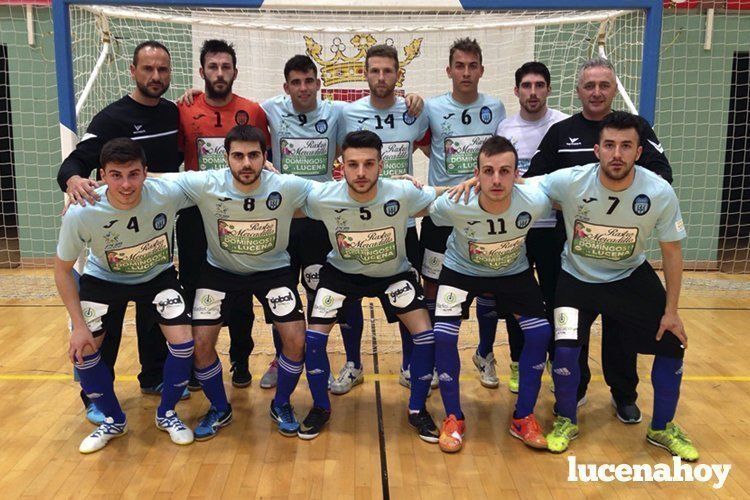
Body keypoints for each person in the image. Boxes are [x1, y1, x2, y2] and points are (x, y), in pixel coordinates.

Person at [530, 111, 696, 461]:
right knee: (563, 350)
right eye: (609, 145)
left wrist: (672, 312)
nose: (616, 154)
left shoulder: (658, 191)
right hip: (576, 278)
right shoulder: (571, 181)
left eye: (625, 146)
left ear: (638, 152)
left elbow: (672, 251)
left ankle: (662, 428)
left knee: (672, 342)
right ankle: (566, 419)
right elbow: (521, 185)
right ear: (597, 150)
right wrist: (472, 184)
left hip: (629, 276)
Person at [526, 57, 673, 423]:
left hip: (623, 255)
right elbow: (533, 180)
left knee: (621, 329)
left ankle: (623, 394)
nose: (596, 92)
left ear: (613, 89)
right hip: (571, 247)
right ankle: (572, 393)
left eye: (603, 85)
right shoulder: (562, 132)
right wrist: (568, 200)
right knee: (571, 330)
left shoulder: (637, 129)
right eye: (589, 86)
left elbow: (662, 176)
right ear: (578, 92)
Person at [56, 40, 184, 424]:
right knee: (102, 328)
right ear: (132, 71)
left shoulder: (173, 113)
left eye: (162, 69)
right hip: (112, 246)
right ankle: (96, 393)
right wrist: (73, 178)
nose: (156, 76)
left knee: (153, 313)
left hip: (153, 233)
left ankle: (155, 378)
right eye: (148, 69)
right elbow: (77, 160)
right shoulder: (111, 119)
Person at [299, 131, 454, 441]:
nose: (360, 172)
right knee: (313, 340)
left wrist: (477, 184)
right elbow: (278, 197)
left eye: (369, 164)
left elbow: (442, 194)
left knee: (425, 336)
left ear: (381, 165)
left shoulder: (402, 192)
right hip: (341, 274)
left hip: (393, 274)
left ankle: (417, 410)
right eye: (353, 164)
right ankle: (320, 406)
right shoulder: (322, 196)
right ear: (340, 165)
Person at [164, 125, 309, 439]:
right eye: (238, 156)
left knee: (296, 339)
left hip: (273, 271)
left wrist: (412, 188)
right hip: (219, 271)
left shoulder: (286, 185)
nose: (246, 163)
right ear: (226, 158)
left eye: (254, 155)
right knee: (199, 344)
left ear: (265, 157)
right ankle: (219, 407)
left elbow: (338, 191)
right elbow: (155, 179)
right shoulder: (207, 182)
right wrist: (97, 185)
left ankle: (282, 403)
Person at [55, 138, 195, 453]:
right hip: (104, 279)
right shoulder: (82, 211)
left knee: (184, 342)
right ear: (102, 175)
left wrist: (265, 171)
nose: (126, 184)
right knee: (84, 350)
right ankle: (113, 420)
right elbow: (62, 270)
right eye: (116, 175)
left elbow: (214, 179)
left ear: (146, 172)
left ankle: (167, 413)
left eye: (134, 174)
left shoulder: (167, 192)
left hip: (156, 276)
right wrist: (78, 326)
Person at [430, 135, 553, 453]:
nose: (496, 179)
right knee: (443, 337)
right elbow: (424, 204)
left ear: (516, 174)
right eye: (488, 171)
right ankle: (453, 417)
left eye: (504, 171)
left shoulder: (535, 201)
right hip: (460, 271)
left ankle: (523, 417)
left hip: (513, 273)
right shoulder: (456, 202)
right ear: (477, 173)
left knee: (539, 335)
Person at [177, 39, 271, 389]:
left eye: (225, 67)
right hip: (194, 215)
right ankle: (195, 364)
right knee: (194, 287)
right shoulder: (183, 109)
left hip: (240, 213)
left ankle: (241, 360)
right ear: (202, 71)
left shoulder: (253, 111)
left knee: (240, 289)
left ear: (235, 71)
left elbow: (264, 158)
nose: (219, 73)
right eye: (212, 67)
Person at [338, 44, 430, 392]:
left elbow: (434, 146)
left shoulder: (415, 111)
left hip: (400, 223)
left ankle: (409, 365)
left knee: (406, 295)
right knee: (349, 297)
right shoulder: (347, 113)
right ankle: (352, 364)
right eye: (374, 71)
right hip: (355, 221)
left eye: (388, 71)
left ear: (398, 75)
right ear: (365, 74)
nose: (381, 77)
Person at [419, 38, 506, 389]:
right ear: (449, 70)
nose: (466, 72)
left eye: (473, 66)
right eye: (460, 65)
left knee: (488, 288)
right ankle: (440, 358)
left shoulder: (496, 108)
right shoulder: (431, 108)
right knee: (434, 285)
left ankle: (484, 352)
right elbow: (424, 143)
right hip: (443, 214)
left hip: (485, 214)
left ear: (481, 70)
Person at [495, 61, 568, 393]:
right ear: (516, 91)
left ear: (548, 90)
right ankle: (516, 359)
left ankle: (552, 358)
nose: (533, 92)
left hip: (553, 227)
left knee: (554, 296)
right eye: (527, 85)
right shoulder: (505, 128)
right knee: (516, 298)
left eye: (540, 85)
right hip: (517, 228)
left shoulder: (564, 125)